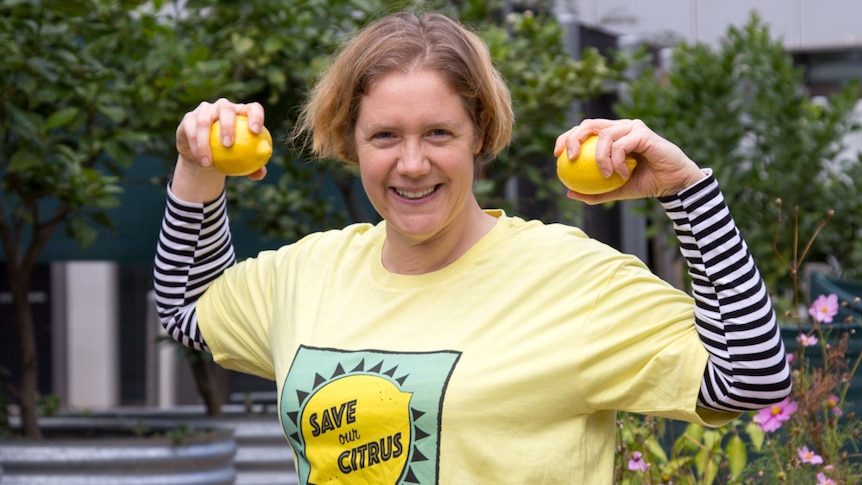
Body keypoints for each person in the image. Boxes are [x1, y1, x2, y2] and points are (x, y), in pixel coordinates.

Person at [154, 11, 791, 484]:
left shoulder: (570, 279)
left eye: (438, 132)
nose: (411, 163)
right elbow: (186, 310)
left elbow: (752, 378)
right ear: (350, 142)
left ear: (479, 132)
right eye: (383, 136)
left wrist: (688, 192)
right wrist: (197, 168)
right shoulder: (308, 271)